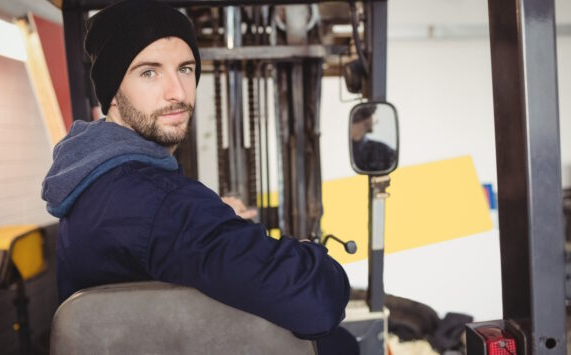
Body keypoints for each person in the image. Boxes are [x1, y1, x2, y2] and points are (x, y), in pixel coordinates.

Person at [41, 0, 351, 343]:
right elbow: (318, 299)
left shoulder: (92, 178)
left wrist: (215, 219)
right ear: (112, 92)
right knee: (342, 342)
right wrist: (313, 258)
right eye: (149, 72)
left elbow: (160, 234)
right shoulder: (162, 204)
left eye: (185, 69)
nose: (177, 92)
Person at [350, 105, 396, 172]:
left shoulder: (385, 152)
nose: (377, 121)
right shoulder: (384, 151)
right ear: (366, 118)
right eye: (374, 113)